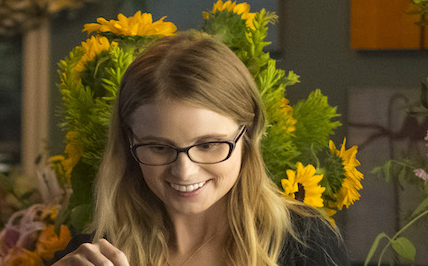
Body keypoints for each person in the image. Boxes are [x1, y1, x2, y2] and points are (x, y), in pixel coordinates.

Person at [52, 34, 346, 266]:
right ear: (129, 143)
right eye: (158, 147)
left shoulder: (305, 241)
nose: (184, 170)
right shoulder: (94, 255)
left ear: (249, 134)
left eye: (209, 145)